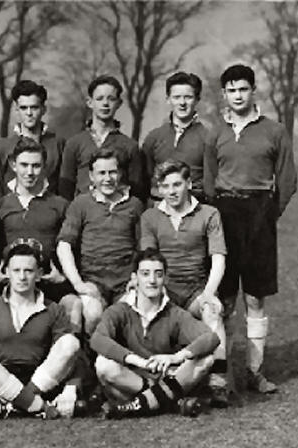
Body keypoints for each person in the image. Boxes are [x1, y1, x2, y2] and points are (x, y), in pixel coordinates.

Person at [204, 64, 297, 394]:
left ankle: (254, 371)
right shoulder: (215, 132)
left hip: (259, 214)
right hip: (225, 214)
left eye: (243, 89)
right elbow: (208, 180)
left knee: (255, 297)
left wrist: (269, 214)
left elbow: (287, 180)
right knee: (225, 299)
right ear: (224, 94)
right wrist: (218, 213)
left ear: (253, 91)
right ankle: (224, 373)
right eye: (231, 90)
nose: (238, 95)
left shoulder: (274, 131)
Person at [0, 242, 81, 420]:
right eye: (16, 270)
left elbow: (73, 356)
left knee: (70, 342)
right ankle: (38, 406)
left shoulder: (53, 309)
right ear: (6, 273)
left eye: (28, 271)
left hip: (40, 381)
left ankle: (20, 403)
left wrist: (71, 389)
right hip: (0, 381)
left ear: (39, 274)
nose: (22, 277)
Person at [91, 249, 220, 419]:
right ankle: (168, 401)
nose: (152, 280)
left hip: (166, 376)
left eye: (158, 274)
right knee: (103, 365)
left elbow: (211, 337)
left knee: (206, 360)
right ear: (134, 278)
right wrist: (140, 362)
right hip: (133, 379)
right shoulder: (119, 311)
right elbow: (97, 339)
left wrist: (175, 357)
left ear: (165, 279)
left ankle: (136, 406)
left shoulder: (174, 313)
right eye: (145, 274)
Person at [140, 159, 229, 406]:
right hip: (164, 288)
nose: (172, 191)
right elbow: (148, 259)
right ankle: (150, 379)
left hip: (195, 289)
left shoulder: (209, 214)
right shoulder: (150, 216)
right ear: (159, 188)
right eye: (165, 186)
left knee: (213, 312)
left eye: (177, 184)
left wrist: (209, 293)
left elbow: (218, 258)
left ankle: (218, 383)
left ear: (189, 184)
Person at [57, 148, 144, 337]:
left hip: (125, 282)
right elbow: (64, 245)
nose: (107, 178)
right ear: (91, 176)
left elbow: (144, 248)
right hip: (93, 280)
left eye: (112, 172)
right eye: (101, 173)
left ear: (120, 173)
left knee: (129, 316)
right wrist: (78, 284)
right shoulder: (81, 204)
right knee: (93, 314)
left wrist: (137, 278)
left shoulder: (134, 205)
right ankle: (91, 353)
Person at [0, 137, 74, 304]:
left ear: (44, 167)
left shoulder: (61, 205)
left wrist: (62, 277)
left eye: (36, 166)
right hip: (9, 283)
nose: (30, 172)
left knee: (74, 305)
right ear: (13, 165)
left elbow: (70, 247)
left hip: (49, 282)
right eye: (24, 165)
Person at [58, 75, 146, 201]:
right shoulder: (74, 144)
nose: (105, 103)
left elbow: (137, 192)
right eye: (99, 99)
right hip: (83, 210)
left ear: (119, 103)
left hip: (116, 210)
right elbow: (65, 188)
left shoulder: (129, 146)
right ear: (89, 102)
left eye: (111, 99)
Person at [141, 72, 209, 202]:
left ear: (197, 99)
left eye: (188, 97)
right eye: (177, 97)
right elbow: (145, 178)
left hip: (195, 204)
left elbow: (210, 181)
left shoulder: (208, 138)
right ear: (168, 99)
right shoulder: (154, 137)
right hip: (159, 204)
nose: (182, 103)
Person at [0, 80, 64, 198]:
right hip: (12, 208)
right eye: (24, 108)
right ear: (16, 110)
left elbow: (65, 186)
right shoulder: (3, 147)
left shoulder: (58, 144)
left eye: (34, 107)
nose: (29, 113)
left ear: (43, 109)